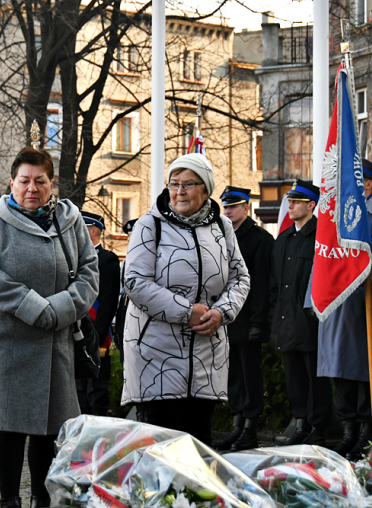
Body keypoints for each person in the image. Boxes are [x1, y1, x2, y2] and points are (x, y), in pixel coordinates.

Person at [0, 147, 99, 508]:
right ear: (11, 182)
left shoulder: (70, 221)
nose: (31, 188)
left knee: (49, 429)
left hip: (55, 339)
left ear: (51, 183)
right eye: (24, 181)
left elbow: (89, 274)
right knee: (9, 429)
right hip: (7, 341)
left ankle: (43, 499)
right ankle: (9, 500)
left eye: (39, 181)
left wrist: (57, 309)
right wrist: (32, 306)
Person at [120, 153, 250, 445]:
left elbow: (240, 278)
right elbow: (135, 282)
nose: (179, 191)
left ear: (206, 189)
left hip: (207, 355)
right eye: (174, 183)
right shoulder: (148, 225)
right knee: (164, 446)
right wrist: (185, 311)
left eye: (188, 184)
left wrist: (221, 313)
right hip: (156, 355)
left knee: (199, 444)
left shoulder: (222, 227)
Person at [318, 160, 372, 459]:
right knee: (340, 371)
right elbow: (323, 258)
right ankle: (348, 431)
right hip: (338, 306)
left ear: (369, 184)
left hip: (363, 304)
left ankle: (365, 432)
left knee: (363, 372)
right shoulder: (335, 215)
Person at [270, 179, 331, 446]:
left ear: (311, 205)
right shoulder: (283, 238)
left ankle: (321, 426)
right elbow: (275, 282)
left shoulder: (321, 236)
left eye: (296, 201)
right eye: (289, 201)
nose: (290, 205)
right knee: (294, 378)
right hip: (286, 319)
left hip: (310, 321)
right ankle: (301, 422)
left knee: (316, 379)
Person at [212, 186, 273, 451]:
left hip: (248, 319)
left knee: (250, 377)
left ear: (246, 207)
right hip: (226, 320)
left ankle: (250, 428)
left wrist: (259, 322)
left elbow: (261, 283)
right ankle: (237, 425)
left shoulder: (259, 239)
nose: (228, 211)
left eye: (233, 206)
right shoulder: (220, 237)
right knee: (233, 376)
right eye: (225, 206)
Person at [76, 212, 120, 416]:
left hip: (95, 332)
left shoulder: (107, 259)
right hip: (74, 330)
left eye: (81, 228)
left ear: (93, 231)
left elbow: (109, 300)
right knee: (78, 387)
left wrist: (97, 332)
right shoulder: (73, 259)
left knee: (96, 386)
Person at [114, 218, 137, 364]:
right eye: (128, 235)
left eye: (132, 235)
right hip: (125, 311)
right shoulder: (128, 259)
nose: (129, 239)